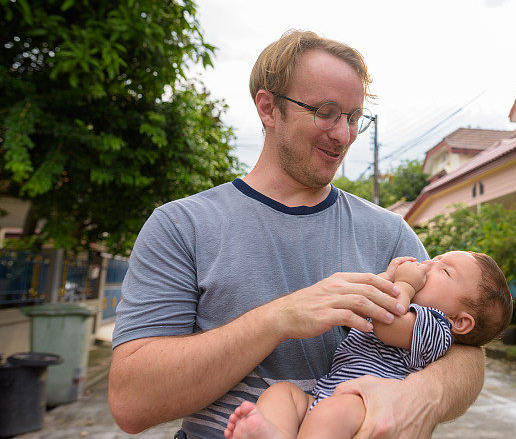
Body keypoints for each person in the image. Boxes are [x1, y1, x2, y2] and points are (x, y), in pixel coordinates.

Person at [108, 30, 486, 439]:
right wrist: (278, 319)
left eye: (353, 117)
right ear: (268, 108)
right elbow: (131, 402)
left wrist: (422, 397)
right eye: (326, 112)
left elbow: (466, 352)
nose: (343, 135)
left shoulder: (390, 233)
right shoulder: (180, 227)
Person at [223, 251, 512, 439]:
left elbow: (386, 320)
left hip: (361, 409)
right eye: (435, 258)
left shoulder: (437, 327)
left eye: (444, 271)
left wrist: (405, 285)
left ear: (460, 322)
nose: (427, 265)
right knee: (282, 393)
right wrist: (388, 282)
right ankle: (276, 433)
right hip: (326, 394)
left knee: (330, 413)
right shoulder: (412, 306)